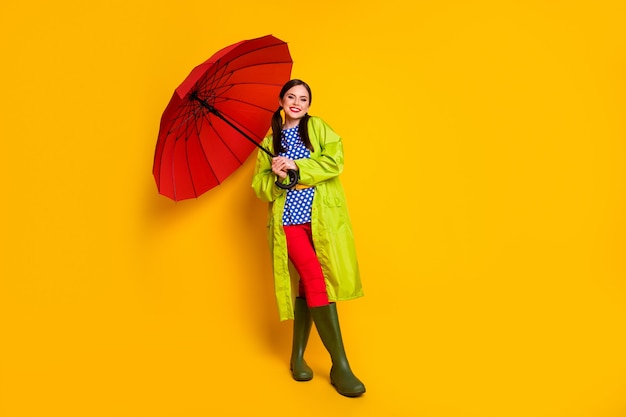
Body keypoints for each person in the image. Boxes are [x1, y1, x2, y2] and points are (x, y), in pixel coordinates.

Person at [251, 79, 365, 397]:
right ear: (281, 100)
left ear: (309, 105)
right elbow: (259, 188)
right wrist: (276, 176)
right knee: (316, 280)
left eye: (304, 98)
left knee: (307, 285)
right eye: (291, 97)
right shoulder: (270, 139)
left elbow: (334, 161)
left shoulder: (317, 128)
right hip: (289, 224)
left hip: (321, 222)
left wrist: (297, 165)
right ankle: (340, 364)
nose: (297, 103)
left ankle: (297, 357)